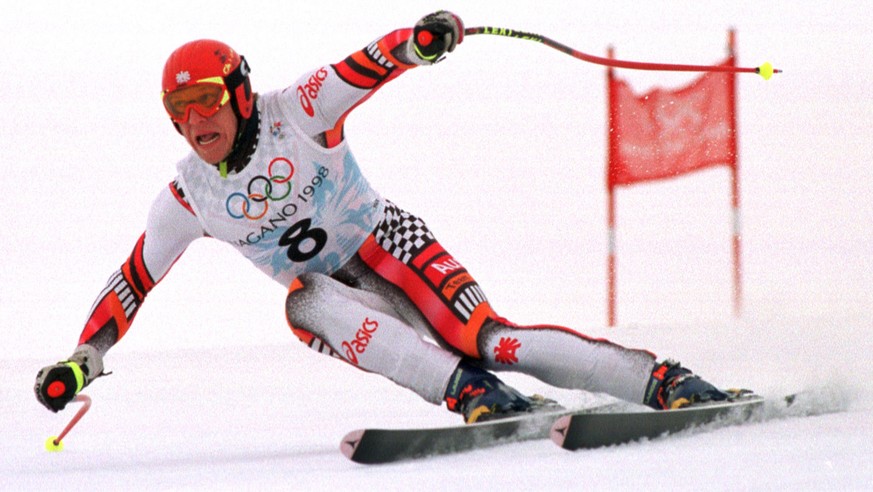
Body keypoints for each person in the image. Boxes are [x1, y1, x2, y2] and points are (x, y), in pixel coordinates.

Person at [34, 11, 730, 424]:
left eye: (207, 100)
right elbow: (133, 280)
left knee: (493, 341)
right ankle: (471, 397)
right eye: (177, 112)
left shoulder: (295, 110)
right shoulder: (189, 194)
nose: (195, 122)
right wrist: (84, 358)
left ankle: (663, 383)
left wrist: (418, 43)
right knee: (305, 305)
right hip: (342, 300)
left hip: (391, 246)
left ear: (239, 93)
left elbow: (363, 66)